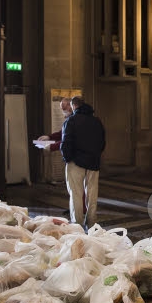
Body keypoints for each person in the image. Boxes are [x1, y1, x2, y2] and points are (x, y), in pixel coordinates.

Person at [60, 96, 106, 229]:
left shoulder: (71, 121)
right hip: (93, 162)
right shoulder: (97, 121)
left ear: (74, 106)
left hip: (76, 162)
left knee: (76, 193)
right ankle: (91, 222)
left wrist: (68, 158)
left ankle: (77, 224)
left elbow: (66, 143)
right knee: (92, 193)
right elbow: (102, 142)